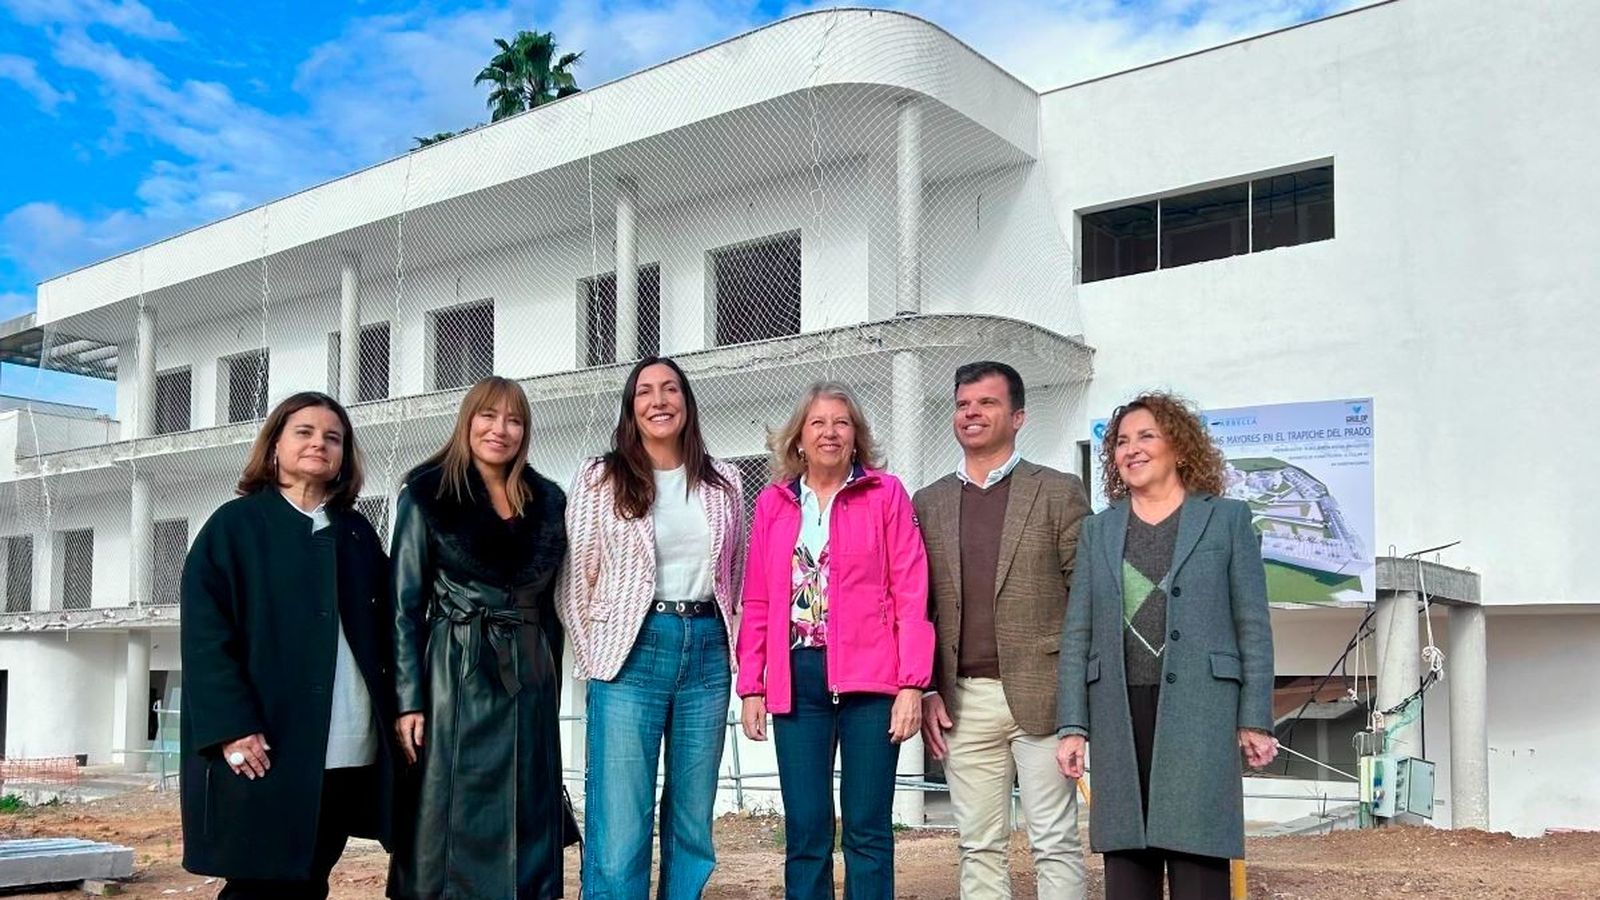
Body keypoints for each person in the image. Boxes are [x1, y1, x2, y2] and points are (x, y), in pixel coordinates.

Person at [1055, 392, 1278, 900]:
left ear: (1178, 446)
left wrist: (1255, 716)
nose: (1131, 449)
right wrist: (1072, 725)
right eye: (1121, 441)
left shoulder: (1227, 519)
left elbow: (1253, 626)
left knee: (1198, 862)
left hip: (1203, 708)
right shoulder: (1099, 530)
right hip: (1118, 710)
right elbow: (1078, 632)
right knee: (1128, 867)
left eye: (1146, 436)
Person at [180, 392, 395, 900]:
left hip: (347, 743)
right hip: (265, 744)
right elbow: (206, 637)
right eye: (305, 432)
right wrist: (233, 727)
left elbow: (389, 629)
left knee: (311, 879)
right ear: (275, 444)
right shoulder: (233, 528)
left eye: (333, 437)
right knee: (256, 884)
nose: (319, 443)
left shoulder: (358, 534)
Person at [737, 382, 934, 900]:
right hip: (797, 680)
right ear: (798, 438)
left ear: (855, 437)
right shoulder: (774, 504)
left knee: (868, 831)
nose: (830, 432)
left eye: (841, 423)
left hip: (872, 681)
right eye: (818, 423)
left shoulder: (885, 493)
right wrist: (751, 685)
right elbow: (757, 599)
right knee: (806, 830)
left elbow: (911, 589)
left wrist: (912, 684)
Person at [558, 356, 745, 900]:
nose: (658, 401)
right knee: (620, 819)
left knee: (692, 817)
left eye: (670, 390)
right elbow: (578, 577)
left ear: (686, 404)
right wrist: (596, 658)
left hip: (707, 651)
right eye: (645, 392)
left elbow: (732, 575)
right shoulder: (600, 477)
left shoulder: (724, 481)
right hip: (630, 651)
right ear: (631, 407)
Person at [913, 362, 1090, 900]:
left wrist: (1078, 707)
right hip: (962, 702)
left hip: (1042, 696)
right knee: (977, 845)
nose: (972, 413)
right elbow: (917, 606)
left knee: (1055, 841)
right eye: (964, 404)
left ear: (1017, 417)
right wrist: (925, 687)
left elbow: (1086, 601)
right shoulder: (928, 502)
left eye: (986, 403)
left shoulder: (1058, 491)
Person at [388, 376, 569, 900]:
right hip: (454, 673)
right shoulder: (426, 494)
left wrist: (549, 682)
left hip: (529, 679)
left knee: (528, 809)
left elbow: (551, 609)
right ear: (468, 421)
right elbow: (404, 606)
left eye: (514, 420)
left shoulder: (548, 502)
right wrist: (408, 700)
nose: (500, 430)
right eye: (488, 416)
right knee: (449, 815)